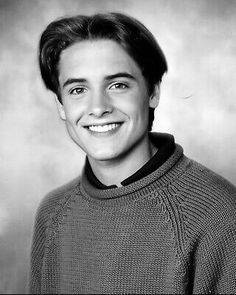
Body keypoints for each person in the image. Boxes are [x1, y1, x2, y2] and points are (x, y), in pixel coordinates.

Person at [30, 12, 236, 294]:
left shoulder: (218, 216)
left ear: (152, 92)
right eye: (78, 89)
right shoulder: (52, 213)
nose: (98, 107)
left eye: (118, 85)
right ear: (61, 106)